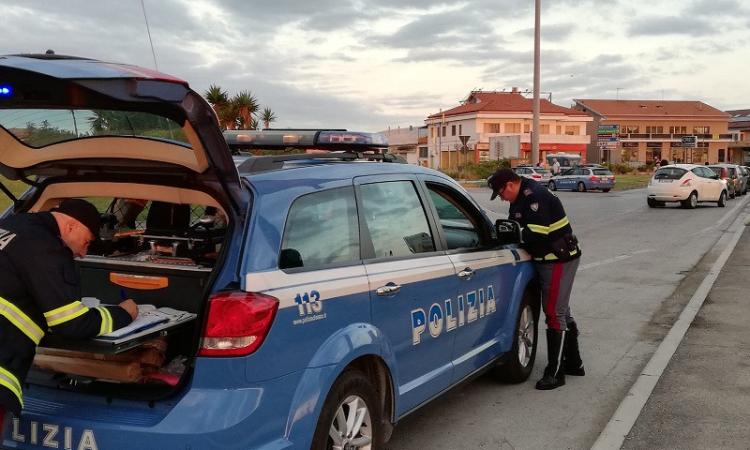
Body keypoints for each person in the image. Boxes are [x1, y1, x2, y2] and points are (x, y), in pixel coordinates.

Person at [0, 199, 137, 433]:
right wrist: (124, 314)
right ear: (71, 226)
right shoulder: (47, 248)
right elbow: (72, 324)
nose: (83, 254)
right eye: (86, 242)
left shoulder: (10, 224)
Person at [487, 168, 584, 390]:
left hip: (557, 259)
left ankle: (556, 373)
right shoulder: (520, 197)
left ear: (510, 185)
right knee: (561, 310)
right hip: (547, 259)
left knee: (554, 312)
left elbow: (536, 237)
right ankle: (574, 363)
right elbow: (517, 227)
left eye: (501, 193)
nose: (501, 198)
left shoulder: (535, 197)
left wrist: (512, 235)